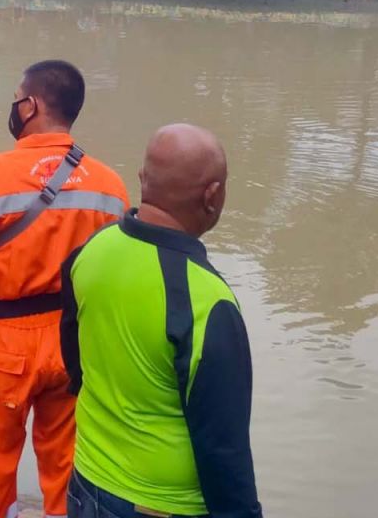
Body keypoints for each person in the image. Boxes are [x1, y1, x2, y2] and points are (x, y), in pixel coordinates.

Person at [0, 61, 129, 518]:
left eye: (18, 98)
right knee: (68, 464)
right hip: (75, 344)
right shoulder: (110, 186)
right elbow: (116, 276)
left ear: (31, 104)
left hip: (4, 347)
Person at [62, 124, 262, 518]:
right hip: (162, 506)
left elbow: (76, 363)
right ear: (213, 195)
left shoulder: (91, 252)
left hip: (86, 481)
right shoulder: (208, 300)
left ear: (142, 179)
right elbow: (224, 450)